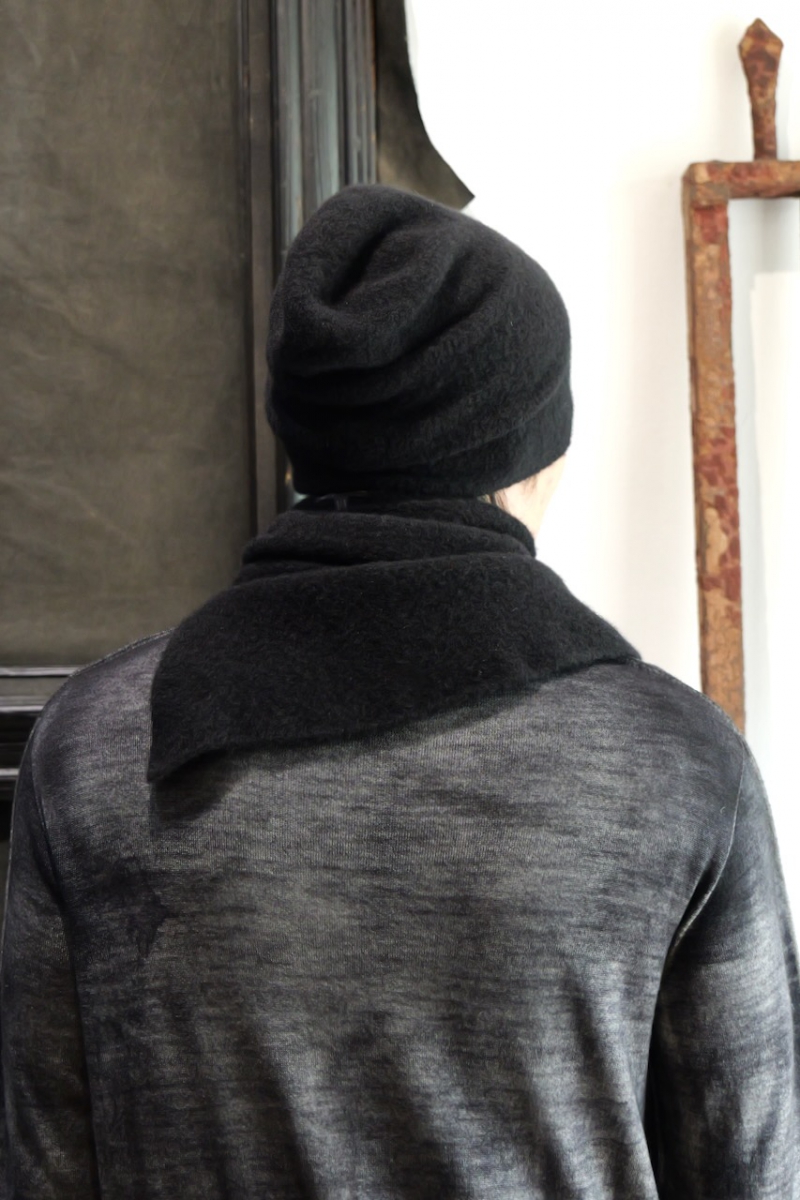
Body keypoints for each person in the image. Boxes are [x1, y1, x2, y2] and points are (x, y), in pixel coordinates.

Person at [1, 184, 798, 1199]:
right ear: (530, 452)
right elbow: (751, 1172)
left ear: (300, 440)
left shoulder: (92, 747)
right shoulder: (677, 766)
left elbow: (44, 1172)